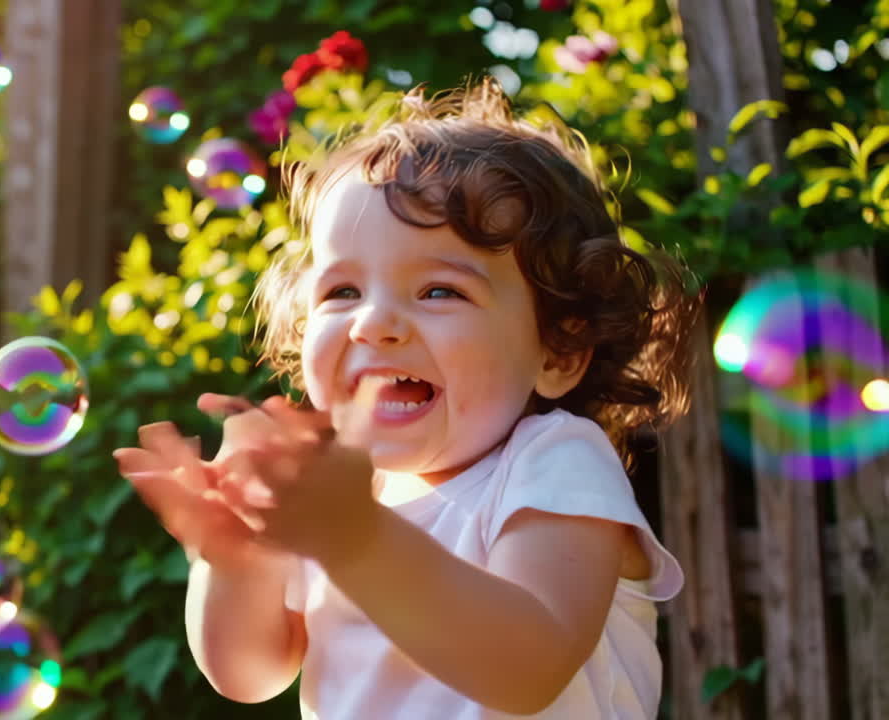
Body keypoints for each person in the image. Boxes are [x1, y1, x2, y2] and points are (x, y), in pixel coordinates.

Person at [113, 77, 699, 719]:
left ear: (557, 352)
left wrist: (359, 541)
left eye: (440, 291)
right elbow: (250, 674)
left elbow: (528, 670)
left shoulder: (554, 463)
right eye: (342, 292)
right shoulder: (347, 497)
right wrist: (232, 558)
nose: (373, 324)